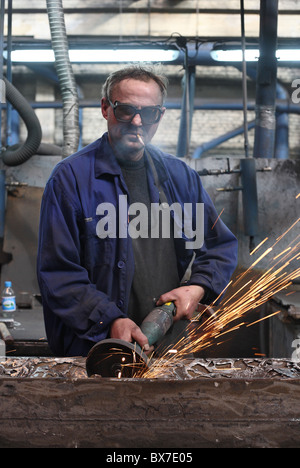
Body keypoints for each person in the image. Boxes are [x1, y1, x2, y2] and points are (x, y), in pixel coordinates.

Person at [37, 65, 238, 357]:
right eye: (125, 110)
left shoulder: (180, 177)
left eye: (150, 113)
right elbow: (58, 273)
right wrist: (109, 320)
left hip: (166, 348)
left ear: (161, 115)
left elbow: (220, 245)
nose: (137, 121)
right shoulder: (70, 179)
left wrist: (197, 287)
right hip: (93, 349)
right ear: (106, 108)